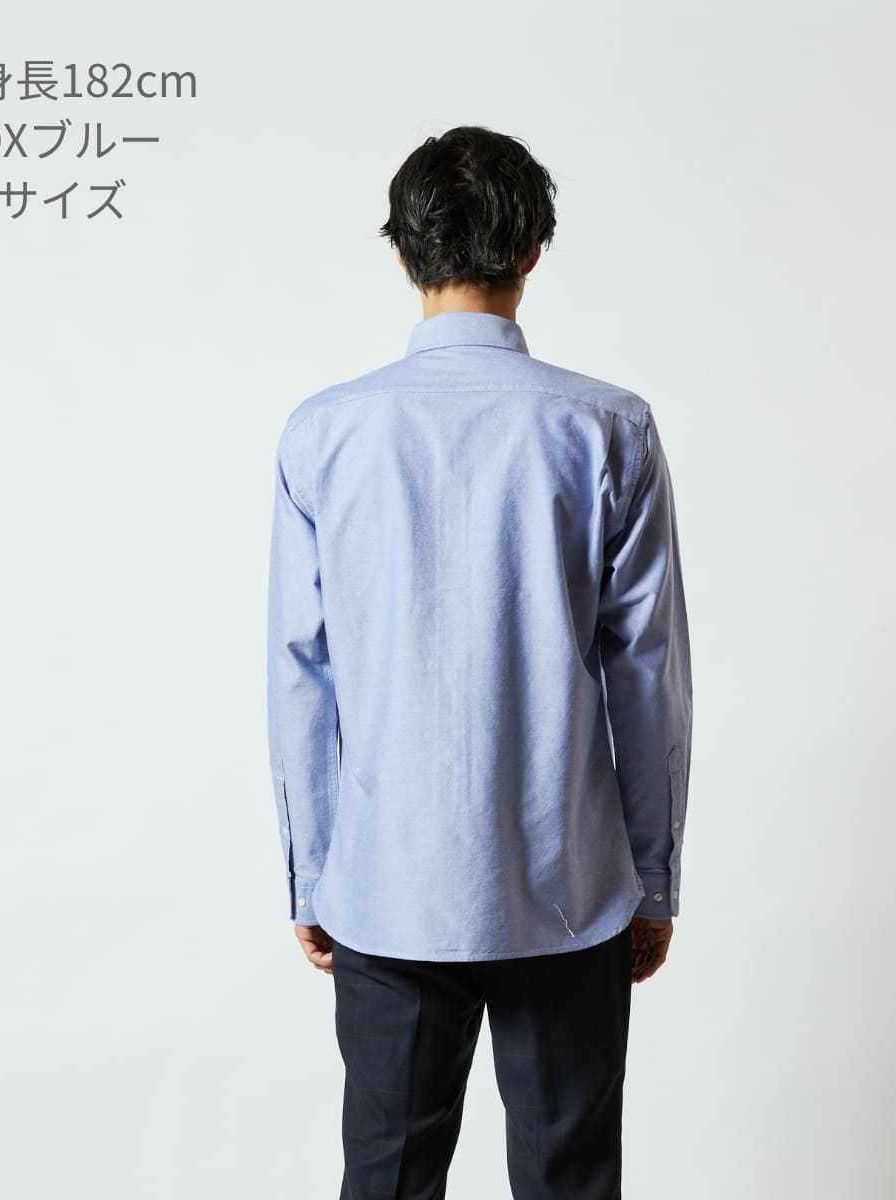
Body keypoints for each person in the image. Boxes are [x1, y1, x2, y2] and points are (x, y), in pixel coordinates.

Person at [266, 124, 693, 1200]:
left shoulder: (324, 433)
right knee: (569, 1182)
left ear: (402, 252)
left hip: (385, 884)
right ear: (534, 248)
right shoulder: (609, 428)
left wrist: (313, 871)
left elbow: (301, 671)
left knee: (387, 1181)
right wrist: (651, 877)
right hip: (568, 886)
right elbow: (646, 673)